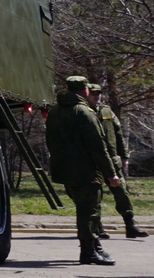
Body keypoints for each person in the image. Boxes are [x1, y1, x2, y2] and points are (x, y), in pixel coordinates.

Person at [44, 76, 121, 265]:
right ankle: (88, 252)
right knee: (90, 212)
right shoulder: (84, 112)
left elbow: (50, 141)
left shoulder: (55, 112)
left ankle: (95, 247)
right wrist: (111, 173)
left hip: (65, 169)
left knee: (85, 209)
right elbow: (97, 147)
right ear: (85, 90)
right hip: (86, 170)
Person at [88, 83, 148, 240]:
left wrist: (124, 156)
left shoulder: (107, 111)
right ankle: (97, 227)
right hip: (92, 161)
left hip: (112, 159)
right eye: (93, 93)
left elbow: (118, 134)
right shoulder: (83, 112)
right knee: (95, 196)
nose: (97, 96)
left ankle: (130, 225)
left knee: (122, 192)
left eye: (99, 93)